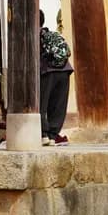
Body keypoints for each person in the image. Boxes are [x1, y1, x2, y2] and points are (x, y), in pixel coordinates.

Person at [38, 9, 72, 145]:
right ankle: (53, 136)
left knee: (41, 103)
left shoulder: (31, 33)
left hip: (48, 71)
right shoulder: (52, 34)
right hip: (65, 69)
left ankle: (44, 135)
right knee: (58, 104)